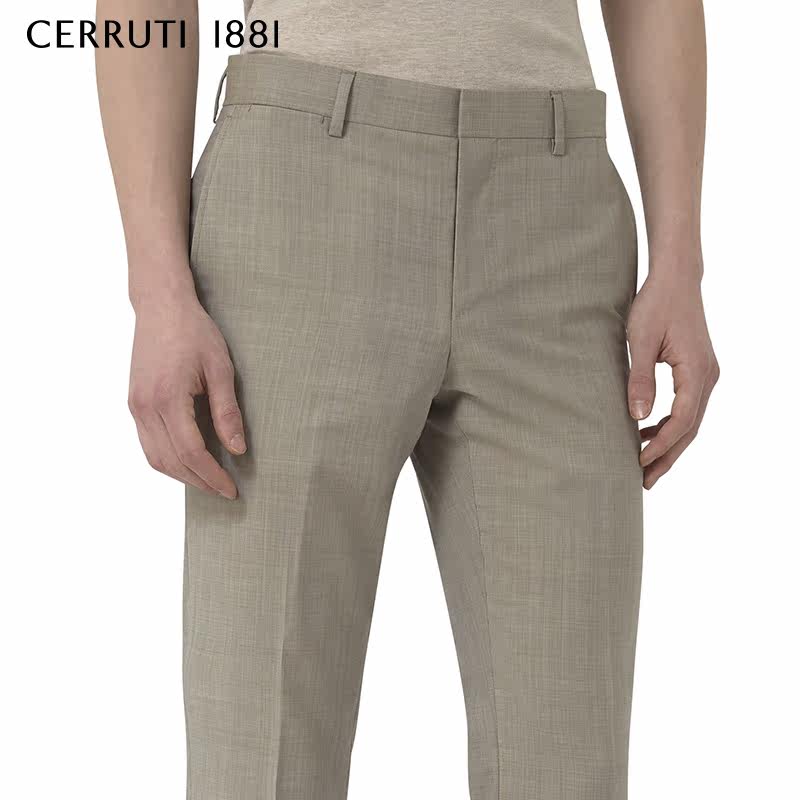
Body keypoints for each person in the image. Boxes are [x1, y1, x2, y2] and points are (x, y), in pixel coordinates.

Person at [96, 1, 719, 797]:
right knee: (261, 753)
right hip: (298, 197)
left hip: (556, 213)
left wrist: (680, 262)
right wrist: (157, 289)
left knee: (567, 760)